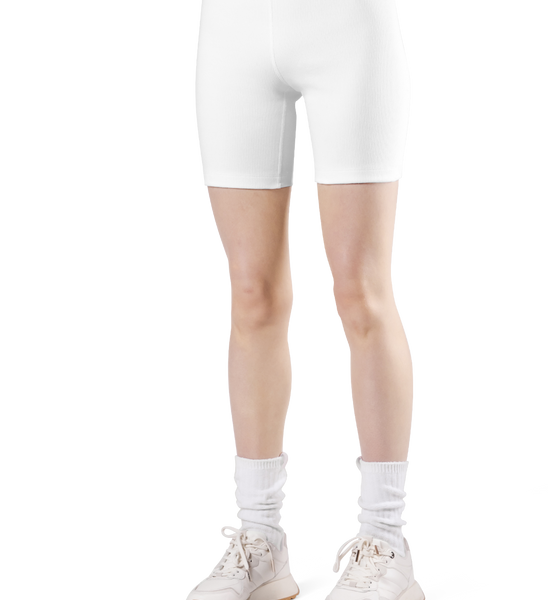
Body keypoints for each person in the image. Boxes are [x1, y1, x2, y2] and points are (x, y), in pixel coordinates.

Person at [186, 1, 422, 599]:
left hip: (347, 26)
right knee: (250, 294)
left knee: (360, 289)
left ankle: (385, 540)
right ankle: (260, 539)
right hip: (232, 28)